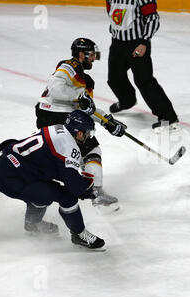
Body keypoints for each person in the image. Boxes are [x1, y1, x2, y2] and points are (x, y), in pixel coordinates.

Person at [0, 111, 109, 249]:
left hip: (6, 165)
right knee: (66, 197)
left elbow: (50, 164)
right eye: (88, 133)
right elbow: (74, 187)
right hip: (12, 178)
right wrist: (87, 191)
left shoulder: (57, 128)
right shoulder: (69, 146)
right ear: (78, 133)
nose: (88, 137)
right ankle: (79, 234)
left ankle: (32, 223)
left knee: (43, 192)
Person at [35, 37, 126, 209]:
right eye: (91, 55)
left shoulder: (85, 80)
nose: (93, 59)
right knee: (90, 150)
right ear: (80, 54)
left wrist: (108, 122)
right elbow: (55, 88)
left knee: (60, 155)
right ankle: (95, 192)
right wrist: (78, 97)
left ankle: (42, 196)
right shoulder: (69, 66)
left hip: (48, 117)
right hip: (57, 115)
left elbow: (87, 109)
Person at [106, 0, 180, 133]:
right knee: (114, 78)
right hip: (117, 43)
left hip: (137, 43)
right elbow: (112, 13)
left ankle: (169, 118)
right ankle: (127, 101)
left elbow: (153, 19)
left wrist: (144, 42)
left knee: (144, 80)